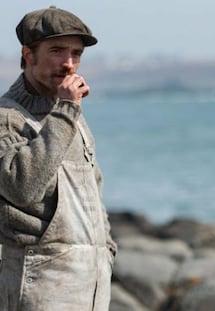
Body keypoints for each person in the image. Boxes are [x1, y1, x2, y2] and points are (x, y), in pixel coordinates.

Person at [0, 6, 117, 310]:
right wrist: (65, 111)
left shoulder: (70, 115)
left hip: (91, 287)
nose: (68, 64)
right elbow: (22, 188)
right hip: (37, 286)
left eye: (76, 53)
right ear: (28, 54)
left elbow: (94, 187)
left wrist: (106, 252)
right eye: (56, 50)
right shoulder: (6, 118)